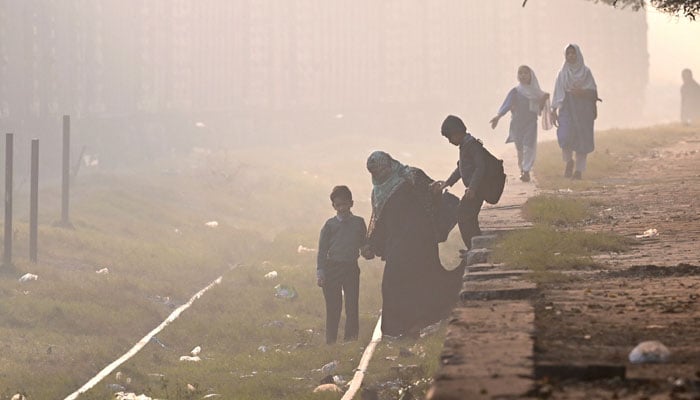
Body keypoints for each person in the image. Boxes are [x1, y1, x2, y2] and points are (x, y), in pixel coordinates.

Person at [361, 151, 464, 337]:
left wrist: (435, 191)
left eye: (381, 169)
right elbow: (380, 222)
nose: (379, 175)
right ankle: (396, 330)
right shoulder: (378, 192)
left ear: (390, 164)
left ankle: (420, 322)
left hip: (420, 241)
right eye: (374, 172)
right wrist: (371, 244)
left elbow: (433, 197)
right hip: (397, 245)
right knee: (392, 285)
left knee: (423, 280)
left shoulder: (412, 176)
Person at [316, 185, 367, 344]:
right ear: (333, 206)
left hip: (351, 267)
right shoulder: (329, 225)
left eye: (345, 204)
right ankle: (331, 342)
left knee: (352, 306)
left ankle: (350, 340)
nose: (342, 208)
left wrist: (368, 250)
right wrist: (321, 272)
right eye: (338, 205)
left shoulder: (359, 223)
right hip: (332, 268)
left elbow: (363, 244)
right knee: (333, 307)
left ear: (351, 203)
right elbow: (322, 251)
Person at [431, 115, 487, 252]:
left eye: (450, 138)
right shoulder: (465, 146)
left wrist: (472, 188)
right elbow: (461, 169)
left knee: (463, 215)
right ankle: (474, 246)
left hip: (477, 189)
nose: (450, 141)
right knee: (468, 217)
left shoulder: (472, 145)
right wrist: (447, 183)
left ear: (457, 133)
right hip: (474, 189)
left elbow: (481, 167)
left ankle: (473, 248)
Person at [489, 65, 550, 182]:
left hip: (530, 123)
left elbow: (539, 111)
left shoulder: (536, 92)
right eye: (520, 73)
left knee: (528, 146)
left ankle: (526, 170)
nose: (523, 75)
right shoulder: (516, 91)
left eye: (525, 73)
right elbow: (506, 105)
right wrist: (498, 116)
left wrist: (543, 99)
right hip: (517, 124)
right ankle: (522, 169)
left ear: (530, 75)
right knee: (520, 148)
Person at [551, 44, 599, 180]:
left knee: (582, 140)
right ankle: (568, 162)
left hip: (583, 110)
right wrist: (554, 109)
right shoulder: (562, 73)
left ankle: (579, 171)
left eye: (573, 53)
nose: (571, 56)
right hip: (567, 108)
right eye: (568, 54)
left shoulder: (586, 72)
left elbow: (594, 92)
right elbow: (557, 92)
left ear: (578, 55)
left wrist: (582, 92)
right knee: (565, 136)